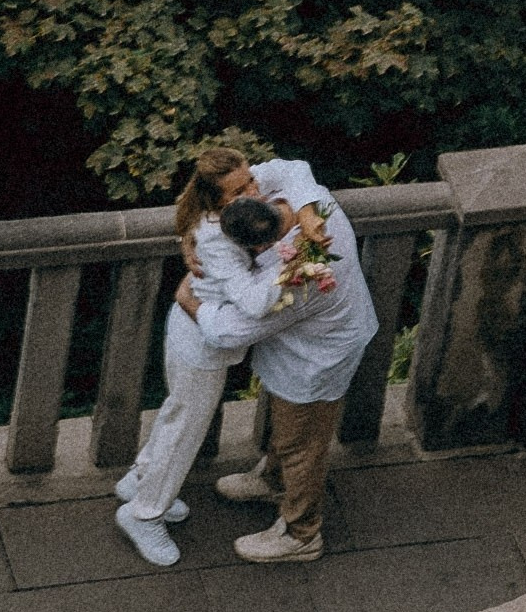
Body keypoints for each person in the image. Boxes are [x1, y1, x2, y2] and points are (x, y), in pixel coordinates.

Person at [113, 146, 331, 569]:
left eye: (251, 178)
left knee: (177, 415)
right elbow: (253, 304)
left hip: (195, 331)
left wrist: (301, 217)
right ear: (217, 200)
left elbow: (294, 167)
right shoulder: (215, 240)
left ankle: (140, 479)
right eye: (241, 188)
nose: (255, 189)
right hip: (200, 341)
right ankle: (144, 513)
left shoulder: (234, 207)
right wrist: (298, 262)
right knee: (186, 431)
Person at [191, 155, 377, 564]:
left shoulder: (300, 275)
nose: (253, 187)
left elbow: (227, 331)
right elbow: (291, 168)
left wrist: (190, 302)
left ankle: (301, 533)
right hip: (307, 344)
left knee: (303, 445)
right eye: (242, 191)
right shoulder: (313, 206)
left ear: (260, 246)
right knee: (289, 430)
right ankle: (273, 479)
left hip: (318, 358)